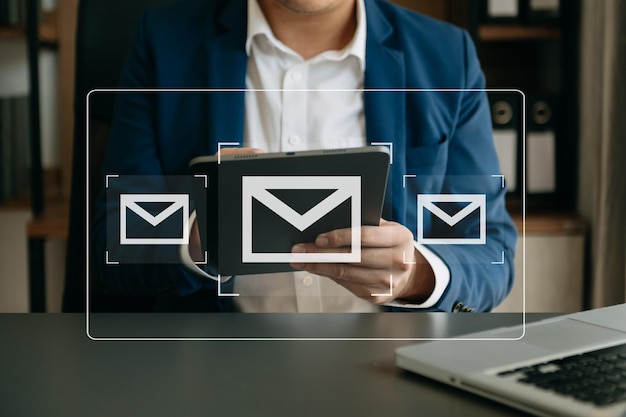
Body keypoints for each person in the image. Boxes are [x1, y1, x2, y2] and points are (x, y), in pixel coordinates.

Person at [92, 0, 517, 312]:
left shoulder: (445, 56)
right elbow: (115, 235)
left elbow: (486, 248)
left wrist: (416, 275)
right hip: (218, 366)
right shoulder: (166, 43)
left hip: (387, 365)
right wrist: (198, 240)